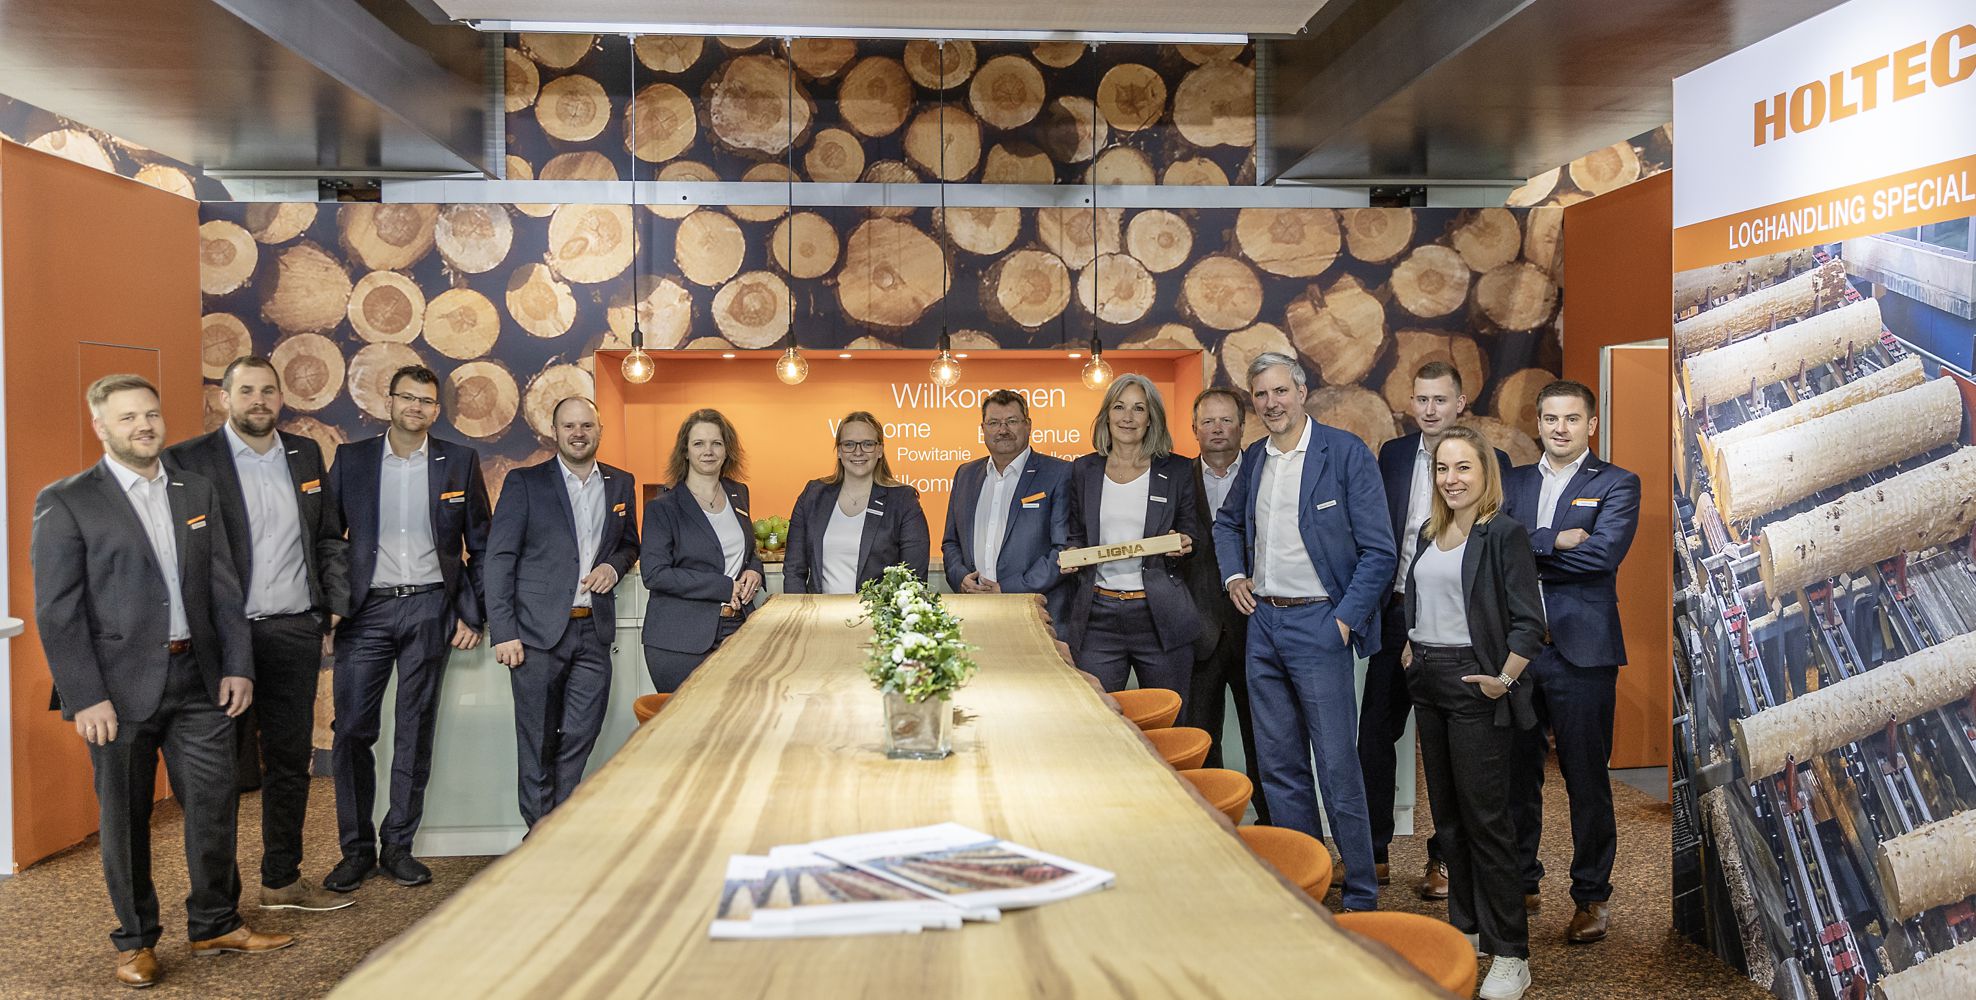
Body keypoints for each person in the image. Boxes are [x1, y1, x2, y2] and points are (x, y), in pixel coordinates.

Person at [32, 374, 293, 988]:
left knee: (214, 805)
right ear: (101, 427)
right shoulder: (67, 501)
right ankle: (136, 941)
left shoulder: (193, 488)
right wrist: (85, 696)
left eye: (149, 414)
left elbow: (224, 586)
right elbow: (58, 611)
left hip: (200, 680)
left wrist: (237, 665)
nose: (143, 426)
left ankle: (215, 923)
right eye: (127, 418)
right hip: (116, 693)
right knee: (125, 820)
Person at [162, 356, 353, 913]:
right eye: (246, 391)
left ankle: (281, 881)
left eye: (268, 390)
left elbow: (327, 536)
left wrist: (332, 604)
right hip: (224, 641)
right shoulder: (189, 461)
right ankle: (218, 904)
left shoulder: (304, 454)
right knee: (217, 773)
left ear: (281, 397)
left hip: (293, 631)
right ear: (225, 398)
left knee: (290, 762)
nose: (259, 400)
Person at [1212, 352, 1396, 914]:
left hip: (1321, 622)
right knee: (1279, 765)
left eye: (1280, 391)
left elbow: (1380, 551)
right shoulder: (1254, 457)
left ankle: (1360, 892)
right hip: (1263, 625)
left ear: (1301, 391)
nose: (1271, 403)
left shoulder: (1344, 452)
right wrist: (1234, 575)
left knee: (1337, 767)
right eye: (1261, 394)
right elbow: (1227, 523)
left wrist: (1344, 618)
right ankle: (1307, 885)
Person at [326, 364, 490, 893]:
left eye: (426, 400)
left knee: (414, 729)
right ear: (389, 402)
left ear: (436, 410)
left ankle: (398, 845)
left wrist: (473, 611)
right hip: (366, 613)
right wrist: (333, 604)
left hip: (429, 608)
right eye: (408, 398)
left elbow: (480, 544)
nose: (416, 407)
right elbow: (329, 539)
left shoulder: (458, 462)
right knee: (353, 730)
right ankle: (356, 850)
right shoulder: (352, 460)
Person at [1400, 425, 1546, 1000]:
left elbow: (1529, 623)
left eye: (1463, 467)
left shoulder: (1503, 534)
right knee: (1449, 820)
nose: (1451, 479)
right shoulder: (1428, 532)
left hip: (1475, 685)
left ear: (1485, 472)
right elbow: (1423, 597)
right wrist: (1413, 643)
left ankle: (1512, 954)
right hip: (1427, 680)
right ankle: (1467, 930)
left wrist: (1502, 680)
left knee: (1487, 822)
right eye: (1442, 468)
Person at [1502, 379, 1641, 944]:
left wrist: (1527, 548)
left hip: (1582, 654)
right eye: (1551, 418)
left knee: (1587, 780)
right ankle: (1522, 882)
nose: (1560, 428)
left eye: (1572, 418)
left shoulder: (1617, 483)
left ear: (1591, 425)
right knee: (1517, 777)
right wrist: (1555, 541)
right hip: (1518, 651)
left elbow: (1601, 557)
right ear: (1538, 423)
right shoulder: (1511, 482)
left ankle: (1591, 896)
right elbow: (1490, 548)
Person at [1369, 361, 1511, 898]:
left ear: (1460, 404)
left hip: (1458, 621)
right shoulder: (1393, 455)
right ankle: (1373, 853)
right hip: (1396, 612)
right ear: (1411, 403)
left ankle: (1444, 859)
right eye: (1422, 399)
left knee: (1453, 747)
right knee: (1374, 734)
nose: (1430, 410)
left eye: (1440, 400)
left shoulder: (1490, 461)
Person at [485, 397, 639, 828]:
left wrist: (613, 566)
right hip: (535, 635)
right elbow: (499, 558)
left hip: (593, 632)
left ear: (599, 430)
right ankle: (539, 836)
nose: (578, 433)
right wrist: (504, 631)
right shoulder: (525, 482)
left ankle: (556, 826)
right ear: (554, 432)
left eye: (586, 425)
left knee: (580, 733)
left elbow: (630, 543)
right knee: (536, 741)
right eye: (569, 425)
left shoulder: (620, 483)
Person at [1063, 374, 1201, 703]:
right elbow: (1075, 533)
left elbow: (1192, 530)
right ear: (1106, 415)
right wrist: (1071, 553)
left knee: (1169, 719)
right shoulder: (1084, 470)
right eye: (1119, 407)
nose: (1128, 417)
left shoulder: (1178, 470)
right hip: (1098, 616)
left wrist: (1184, 542)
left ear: (1151, 417)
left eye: (1139, 408)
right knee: (1097, 718)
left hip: (1160, 616)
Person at [1182, 387, 1267, 821]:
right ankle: (1210, 830)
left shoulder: (1264, 472)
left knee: (1265, 740)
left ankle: (1274, 831)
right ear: (1193, 428)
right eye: (1208, 421)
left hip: (1257, 628)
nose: (1217, 429)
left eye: (1226, 420)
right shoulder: (1176, 477)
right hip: (1196, 630)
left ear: (1243, 426)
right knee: (1200, 740)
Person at [641, 409, 765, 692]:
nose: (708, 451)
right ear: (685, 451)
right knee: (688, 718)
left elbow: (746, 551)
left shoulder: (738, 493)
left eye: (716, 443)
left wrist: (754, 570)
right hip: (680, 639)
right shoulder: (663, 508)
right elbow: (655, 574)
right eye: (699, 443)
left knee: (738, 713)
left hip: (737, 628)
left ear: (727, 450)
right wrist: (724, 587)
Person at [942, 389, 1072, 632]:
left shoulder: (1059, 473)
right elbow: (951, 541)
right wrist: (961, 578)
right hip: (974, 613)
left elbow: (1063, 549)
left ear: (1028, 425)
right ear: (982, 429)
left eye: (1011, 421)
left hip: (1036, 613)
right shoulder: (965, 474)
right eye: (994, 423)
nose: (1002, 430)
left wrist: (1007, 589)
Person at [784, 411, 929, 593]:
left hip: (877, 611)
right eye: (849, 444)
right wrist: (799, 608)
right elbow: (794, 570)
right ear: (839, 451)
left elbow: (914, 578)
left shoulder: (903, 500)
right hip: (819, 610)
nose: (858, 452)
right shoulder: (813, 495)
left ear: (880, 450)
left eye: (867, 444)